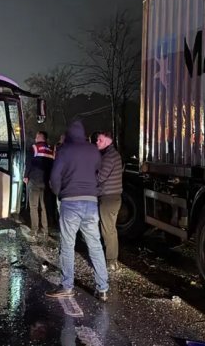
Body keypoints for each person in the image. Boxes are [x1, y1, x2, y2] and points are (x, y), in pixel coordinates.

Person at [46, 120, 109, 301]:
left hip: (70, 202)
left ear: (69, 134)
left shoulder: (65, 150)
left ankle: (67, 286)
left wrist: (59, 193)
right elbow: (98, 171)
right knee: (95, 245)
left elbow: (55, 176)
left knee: (67, 245)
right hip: (91, 202)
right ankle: (103, 288)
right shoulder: (93, 150)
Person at [96, 132, 123, 272]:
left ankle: (111, 261)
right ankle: (112, 260)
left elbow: (100, 177)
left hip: (108, 198)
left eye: (100, 140)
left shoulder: (108, 157)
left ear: (107, 141)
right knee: (110, 228)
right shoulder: (113, 154)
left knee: (108, 230)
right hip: (113, 197)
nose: (97, 142)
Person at [24, 131, 54, 239]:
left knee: (33, 206)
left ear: (38, 137)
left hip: (34, 181)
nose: (35, 139)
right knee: (44, 206)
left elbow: (28, 163)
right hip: (46, 182)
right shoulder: (51, 150)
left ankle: (34, 230)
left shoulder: (34, 148)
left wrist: (25, 176)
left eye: (36, 137)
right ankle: (45, 230)